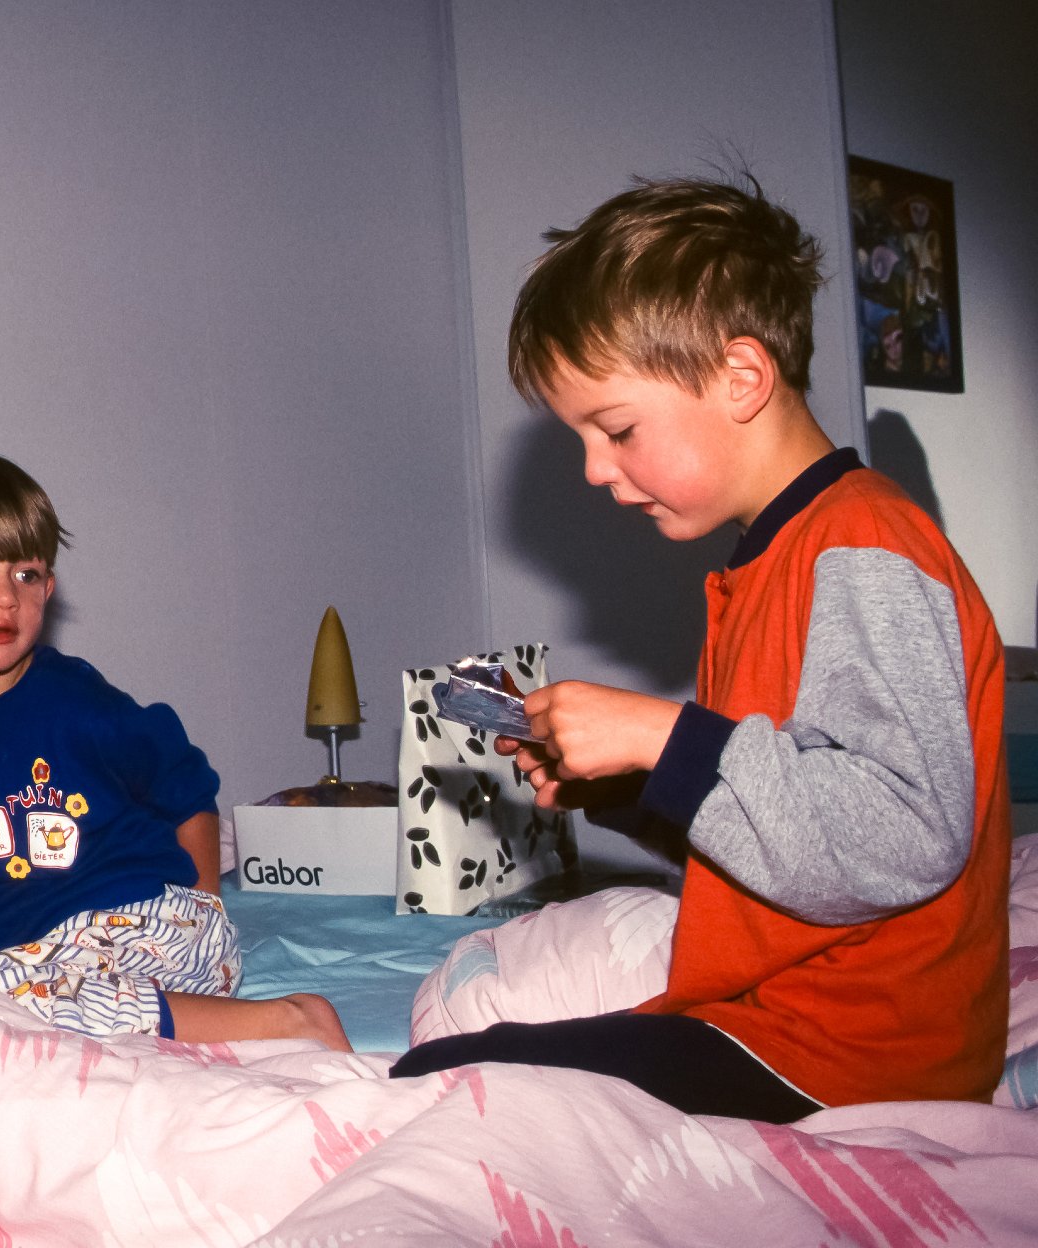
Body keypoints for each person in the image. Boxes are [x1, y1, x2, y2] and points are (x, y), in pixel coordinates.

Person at [391, 176, 1010, 1122]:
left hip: (856, 1054)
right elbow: (786, 844)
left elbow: (904, 834)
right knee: (459, 1066)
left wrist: (666, 737)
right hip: (773, 1017)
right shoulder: (773, 559)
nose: (595, 470)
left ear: (741, 379)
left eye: (617, 430)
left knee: (454, 1087)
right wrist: (633, 786)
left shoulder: (866, 548)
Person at [0, 450, 347, 1048]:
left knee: (10, 993)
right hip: (33, 958)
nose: (5, 598)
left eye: (26, 575)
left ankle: (290, 1020)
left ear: (49, 587)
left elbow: (185, 786)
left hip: (148, 925)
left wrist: (203, 903)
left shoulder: (74, 699)